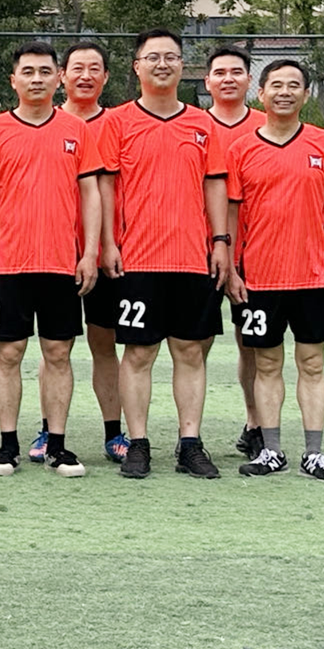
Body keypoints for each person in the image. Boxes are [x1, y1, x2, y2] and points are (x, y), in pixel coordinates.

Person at [99, 28, 232, 480]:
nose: (162, 64)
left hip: (193, 258)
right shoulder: (117, 122)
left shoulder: (203, 124)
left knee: (190, 352)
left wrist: (220, 241)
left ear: (182, 65)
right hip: (137, 260)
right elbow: (105, 187)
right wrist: (109, 243)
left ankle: (190, 444)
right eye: (152, 57)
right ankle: (137, 444)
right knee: (138, 353)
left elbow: (215, 184)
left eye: (171, 57)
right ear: (136, 66)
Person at [227, 60, 324, 482]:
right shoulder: (241, 149)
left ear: (305, 94)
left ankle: (314, 454)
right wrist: (232, 270)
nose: (284, 92)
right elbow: (231, 215)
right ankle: (271, 451)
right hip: (258, 279)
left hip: (314, 278)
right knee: (266, 364)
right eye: (276, 85)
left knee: (313, 364)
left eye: (293, 85)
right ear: (261, 93)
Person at [0, 42, 102, 478]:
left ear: (58, 78)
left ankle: (58, 446)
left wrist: (89, 253)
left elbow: (91, 194)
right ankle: (7, 445)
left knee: (58, 352)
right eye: (27, 72)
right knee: (9, 351)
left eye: (45, 72)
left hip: (62, 263)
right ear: (13, 80)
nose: (36, 79)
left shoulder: (77, 130)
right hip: (10, 263)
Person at [58, 40, 129, 464]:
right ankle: (49, 431)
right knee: (55, 347)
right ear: (62, 75)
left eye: (94, 69)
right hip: (52, 255)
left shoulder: (117, 124)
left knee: (105, 343)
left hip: (105, 257)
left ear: (106, 77)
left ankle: (113, 433)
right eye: (77, 68)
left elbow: (105, 189)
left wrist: (106, 245)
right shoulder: (45, 120)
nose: (85, 76)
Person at [204, 44, 269, 460]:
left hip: (256, 255)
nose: (228, 79)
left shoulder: (268, 125)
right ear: (207, 81)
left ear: (249, 79)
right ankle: (190, 434)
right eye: (220, 72)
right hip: (203, 252)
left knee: (253, 344)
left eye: (236, 72)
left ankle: (255, 424)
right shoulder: (194, 125)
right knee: (195, 344)